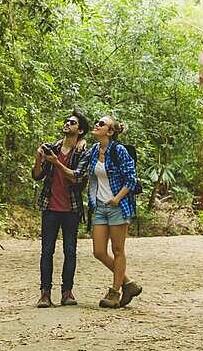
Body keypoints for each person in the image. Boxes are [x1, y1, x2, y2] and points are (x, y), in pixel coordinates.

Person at [46, 114, 143, 309]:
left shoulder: (119, 151)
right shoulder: (92, 150)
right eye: (97, 122)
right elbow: (77, 175)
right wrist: (56, 161)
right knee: (98, 251)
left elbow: (131, 179)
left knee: (117, 250)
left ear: (110, 131)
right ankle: (128, 283)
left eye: (101, 124)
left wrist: (117, 198)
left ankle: (115, 292)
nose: (97, 125)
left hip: (118, 205)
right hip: (99, 206)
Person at [32, 111, 89, 308]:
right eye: (66, 121)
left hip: (71, 208)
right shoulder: (52, 147)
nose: (67, 124)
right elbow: (37, 176)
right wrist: (39, 158)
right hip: (50, 206)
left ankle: (67, 292)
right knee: (46, 251)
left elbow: (77, 177)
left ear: (79, 130)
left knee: (70, 251)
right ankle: (45, 294)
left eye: (72, 122)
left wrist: (56, 162)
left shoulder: (82, 151)